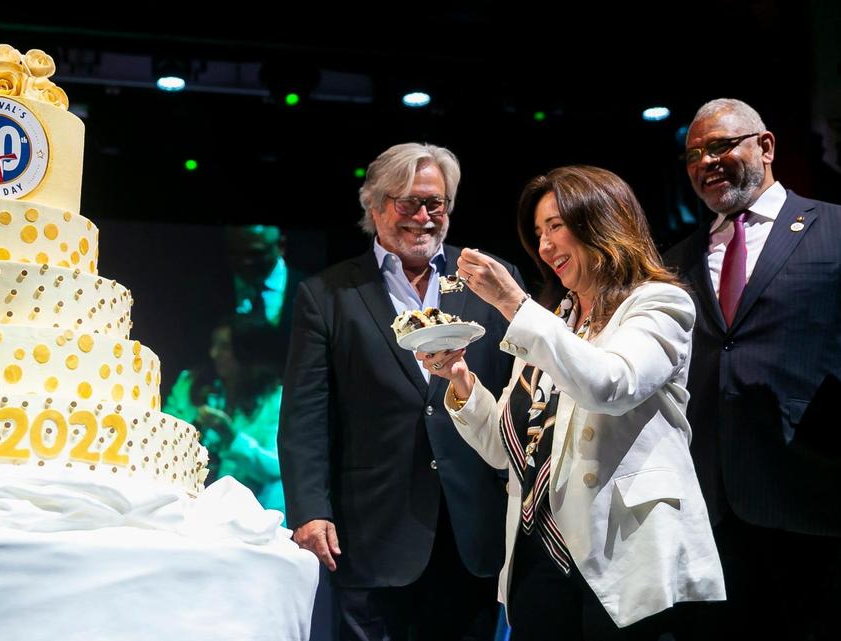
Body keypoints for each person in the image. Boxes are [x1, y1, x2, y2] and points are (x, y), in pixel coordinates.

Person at [418, 165, 725, 640]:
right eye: (538, 233)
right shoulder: (555, 320)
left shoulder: (659, 303)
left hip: (622, 553)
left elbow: (610, 385)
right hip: (538, 552)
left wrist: (516, 307)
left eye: (556, 227)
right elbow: (506, 449)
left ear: (602, 222)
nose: (544, 247)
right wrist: (459, 379)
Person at [279, 142, 523, 640]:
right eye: (408, 202)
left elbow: (517, 395)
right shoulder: (325, 295)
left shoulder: (490, 281)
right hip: (369, 533)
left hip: (472, 529)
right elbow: (305, 417)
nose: (424, 216)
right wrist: (309, 510)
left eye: (436, 203)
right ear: (374, 205)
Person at [664, 98, 841, 641]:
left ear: (765, 147)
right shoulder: (674, 262)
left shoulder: (834, 229)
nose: (705, 162)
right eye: (694, 154)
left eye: (720, 146)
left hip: (817, 492)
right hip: (709, 508)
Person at [164, 315, 285, 514]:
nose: (214, 354)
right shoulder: (189, 383)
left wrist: (233, 438)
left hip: (243, 509)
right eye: (214, 345)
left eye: (224, 347)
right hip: (182, 497)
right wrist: (196, 426)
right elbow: (162, 437)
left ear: (245, 352)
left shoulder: (273, 399)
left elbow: (275, 468)